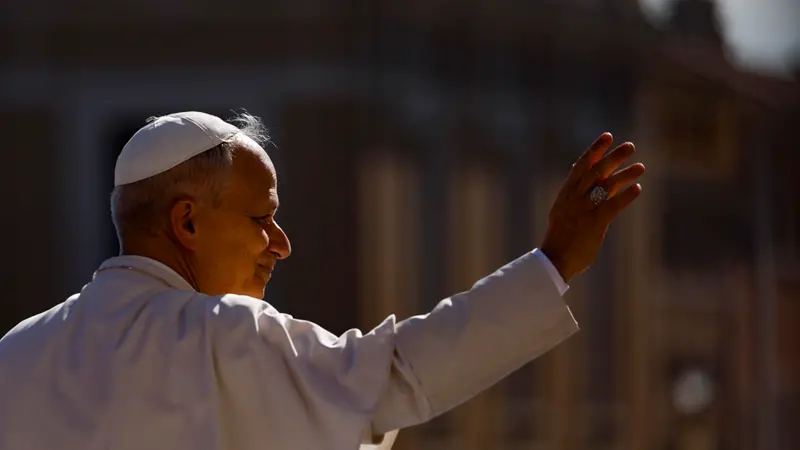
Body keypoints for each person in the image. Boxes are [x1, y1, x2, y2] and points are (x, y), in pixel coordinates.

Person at [0, 111, 645, 450]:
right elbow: (401, 374)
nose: (281, 245)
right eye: (262, 219)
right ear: (187, 222)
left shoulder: (15, 355)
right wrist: (554, 261)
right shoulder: (225, 335)